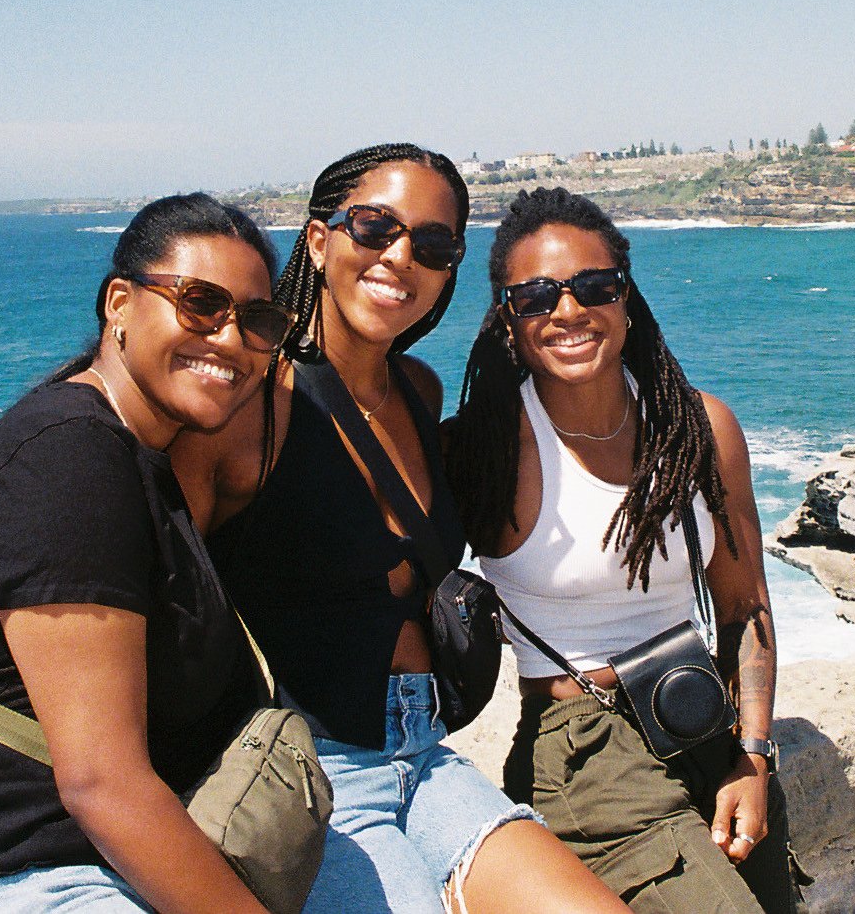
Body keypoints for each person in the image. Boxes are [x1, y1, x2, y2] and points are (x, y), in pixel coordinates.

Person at [173, 145, 627, 914]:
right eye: (375, 227)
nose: (399, 256)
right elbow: (125, 578)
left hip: (424, 750)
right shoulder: (248, 407)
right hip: (309, 774)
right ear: (319, 240)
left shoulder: (418, 390)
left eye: (433, 243)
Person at [0, 194, 296, 912]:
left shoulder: (140, 449)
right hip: (3, 868)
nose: (229, 339)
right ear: (120, 303)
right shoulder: (71, 461)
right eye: (199, 303)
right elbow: (101, 782)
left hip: (103, 842)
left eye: (258, 320)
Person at [444, 186, 808, 914]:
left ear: (626, 298)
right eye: (537, 296)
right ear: (507, 322)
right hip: (584, 754)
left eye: (593, 286)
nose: (569, 310)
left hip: (701, 720)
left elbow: (745, 605)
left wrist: (753, 753)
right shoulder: (480, 449)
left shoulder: (699, 428)